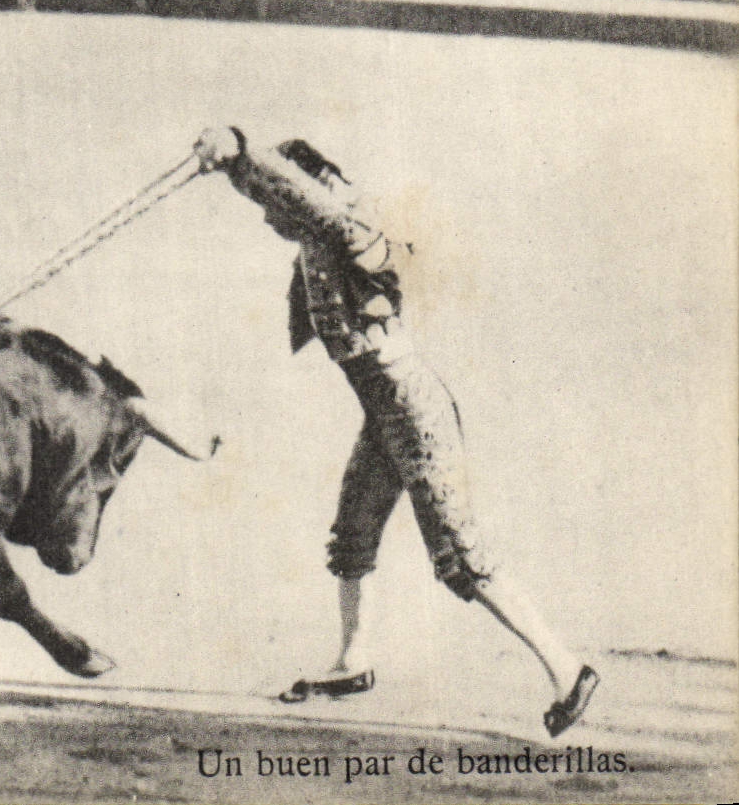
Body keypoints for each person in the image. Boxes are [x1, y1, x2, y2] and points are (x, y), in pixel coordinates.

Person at [189, 125, 599, 738]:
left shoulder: (345, 229)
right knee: (353, 534)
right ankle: (353, 663)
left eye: (283, 200)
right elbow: (292, 205)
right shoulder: (318, 240)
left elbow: (304, 201)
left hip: (413, 411)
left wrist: (241, 154)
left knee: (460, 557)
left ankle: (569, 671)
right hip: (387, 413)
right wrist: (235, 172)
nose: (273, 215)